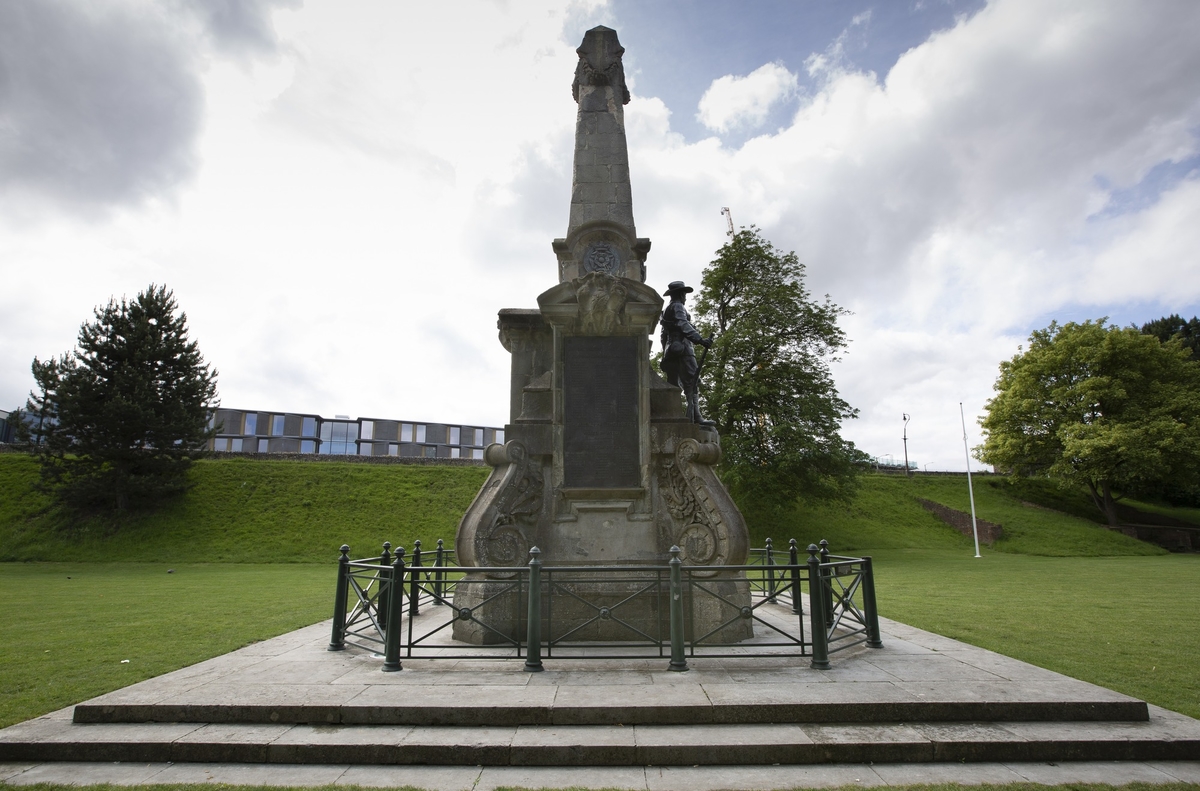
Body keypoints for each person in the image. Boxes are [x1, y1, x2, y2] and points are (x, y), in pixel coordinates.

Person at [659, 281, 714, 426]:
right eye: (684, 294)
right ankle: (696, 417)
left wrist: (665, 354)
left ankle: (672, 415)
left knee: (673, 384)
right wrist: (700, 340)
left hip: (671, 351)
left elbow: (663, 336)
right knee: (691, 382)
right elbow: (683, 324)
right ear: (681, 294)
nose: (685, 297)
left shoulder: (666, 310)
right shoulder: (678, 306)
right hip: (683, 349)